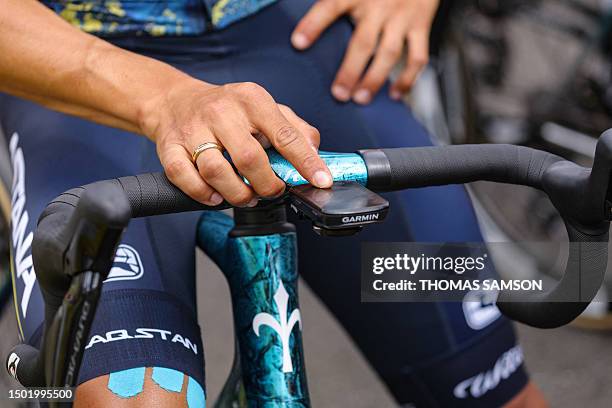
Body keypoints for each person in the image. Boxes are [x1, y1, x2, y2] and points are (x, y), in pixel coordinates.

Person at [0, 0, 547, 406]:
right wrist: (166, 97)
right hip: (77, 67)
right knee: (132, 397)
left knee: (494, 392)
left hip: (301, 40)